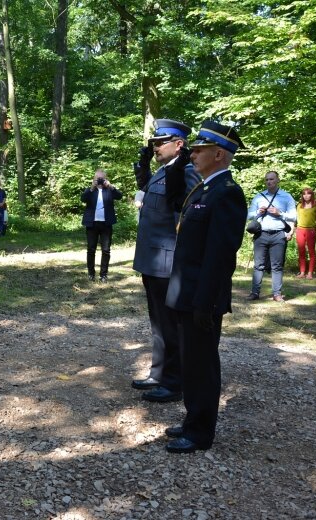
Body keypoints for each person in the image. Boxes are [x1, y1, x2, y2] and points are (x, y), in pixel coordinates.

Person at [163, 120, 247, 454]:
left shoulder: (227, 194)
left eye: (200, 149)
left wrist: (205, 302)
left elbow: (220, 256)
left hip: (202, 298)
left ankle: (200, 433)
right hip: (187, 293)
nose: (194, 154)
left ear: (219, 154)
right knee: (190, 361)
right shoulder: (203, 189)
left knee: (202, 365)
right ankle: (191, 420)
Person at [131, 119, 201, 404]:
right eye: (154, 143)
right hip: (152, 260)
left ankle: (175, 382)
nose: (156, 147)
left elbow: (187, 221)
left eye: (161, 142)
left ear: (179, 144)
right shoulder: (164, 172)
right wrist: (143, 166)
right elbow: (147, 193)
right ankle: (159, 373)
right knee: (158, 322)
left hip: (168, 262)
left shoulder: (186, 173)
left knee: (171, 324)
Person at [246, 171, 297, 302]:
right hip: (261, 234)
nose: (269, 182)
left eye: (272, 179)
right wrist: (258, 212)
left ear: (278, 180)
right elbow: (248, 214)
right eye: (267, 179)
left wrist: (280, 213)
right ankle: (255, 293)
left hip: (278, 235)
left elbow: (294, 216)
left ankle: (277, 294)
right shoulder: (258, 197)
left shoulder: (286, 197)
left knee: (277, 266)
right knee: (258, 265)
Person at [81, 169, 122, 282]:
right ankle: (91, 274)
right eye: (97, 178)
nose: (99, 180)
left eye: (101, 178)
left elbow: (119, 196)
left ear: (105, 179)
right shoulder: (90, 190)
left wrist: (111, 186)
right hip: (92, 223)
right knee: (91, 249)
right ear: (94, 179)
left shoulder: (109, 190)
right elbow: (83, 199)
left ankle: (103, 275)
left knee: (106, 250)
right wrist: (91, 188)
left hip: (106, 224)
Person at [295, 187, 316, 279]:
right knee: (301, 251)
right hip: (299, 230)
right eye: (304, 194)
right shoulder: (299, 206)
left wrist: (314, 229)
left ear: (312, 195)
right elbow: (296, 218)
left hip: (310, 230)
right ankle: (302, 272)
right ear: (302, 196)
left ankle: (310, 273)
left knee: (311, 252)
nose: (306, 196)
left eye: (308, 194)